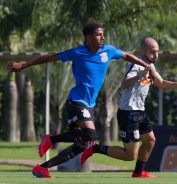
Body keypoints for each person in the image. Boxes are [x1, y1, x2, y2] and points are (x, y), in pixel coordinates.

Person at [9, 22, 156, 178]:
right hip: (76, 101)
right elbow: (51, 56)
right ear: (88, 37)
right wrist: (24, 64)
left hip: (89, 105)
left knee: (82, 144)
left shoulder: (108, 50)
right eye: (98, 34)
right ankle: (51, 139)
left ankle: (43, 168)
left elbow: (126, 55)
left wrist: (146, 65)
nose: (102, 37)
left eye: (102, 34)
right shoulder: (78, 52)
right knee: (90, 135)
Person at [80, 37, 177, 178]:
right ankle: (95, 148)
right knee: (130, 155)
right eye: (152, 52)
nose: (156, 55)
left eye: (157, 52)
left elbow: (161, 83)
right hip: (128, 113)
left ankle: (138, 172)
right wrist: (140, 75)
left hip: (140, 112)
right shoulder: (135, 65)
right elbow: (124, 84)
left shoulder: (151, 66)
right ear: (142, 51)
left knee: (150, 141)